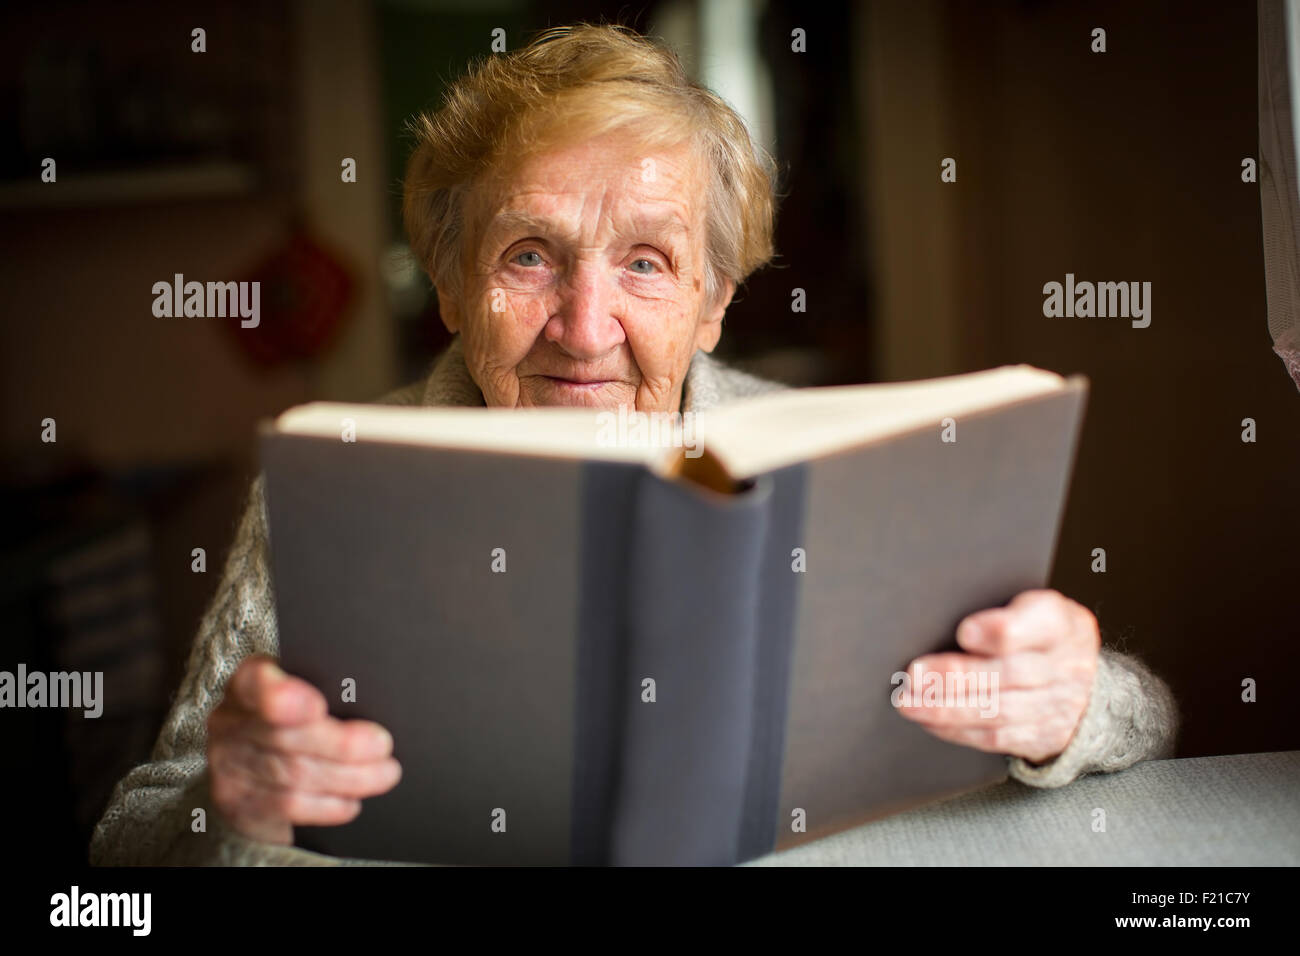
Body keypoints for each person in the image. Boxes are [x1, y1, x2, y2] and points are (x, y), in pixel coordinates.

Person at [91, 23, 1178, 865]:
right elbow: (130, 840)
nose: (583, 324)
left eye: (647, 263)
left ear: (712, 302)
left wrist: (1069, 703)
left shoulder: (806, 462)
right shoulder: (332, 483)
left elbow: (1147, 722)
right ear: (454, 285)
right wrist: (232, 800)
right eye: (529, 255)